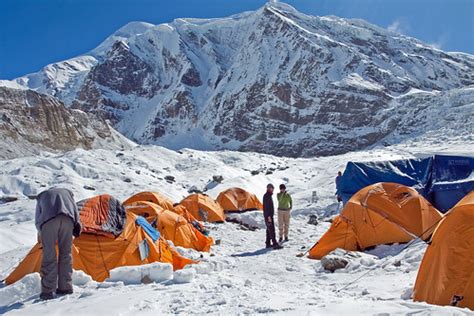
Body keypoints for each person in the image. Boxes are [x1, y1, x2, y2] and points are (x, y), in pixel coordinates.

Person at [35, 187, 82, 300]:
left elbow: (38, 218)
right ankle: (65, 287)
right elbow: (75, 211)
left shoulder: (43, 195)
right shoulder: (68, 193)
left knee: (49, 255)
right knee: (66, 254)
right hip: (67, 220)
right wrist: (77, 228)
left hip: (48, 221)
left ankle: (48, 291)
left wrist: (41, 232)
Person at [262, 184, 282, 249]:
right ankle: (275, 243)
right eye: (271, 188)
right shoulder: (267, 196)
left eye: (273, 188)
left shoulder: (268, 195)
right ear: (268, 188)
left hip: (269, 215)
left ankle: (268, 243)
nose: (272, 189)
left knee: (268, 229)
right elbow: (266, 207)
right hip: (268, 216)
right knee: (271, 229)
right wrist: (268, 217)